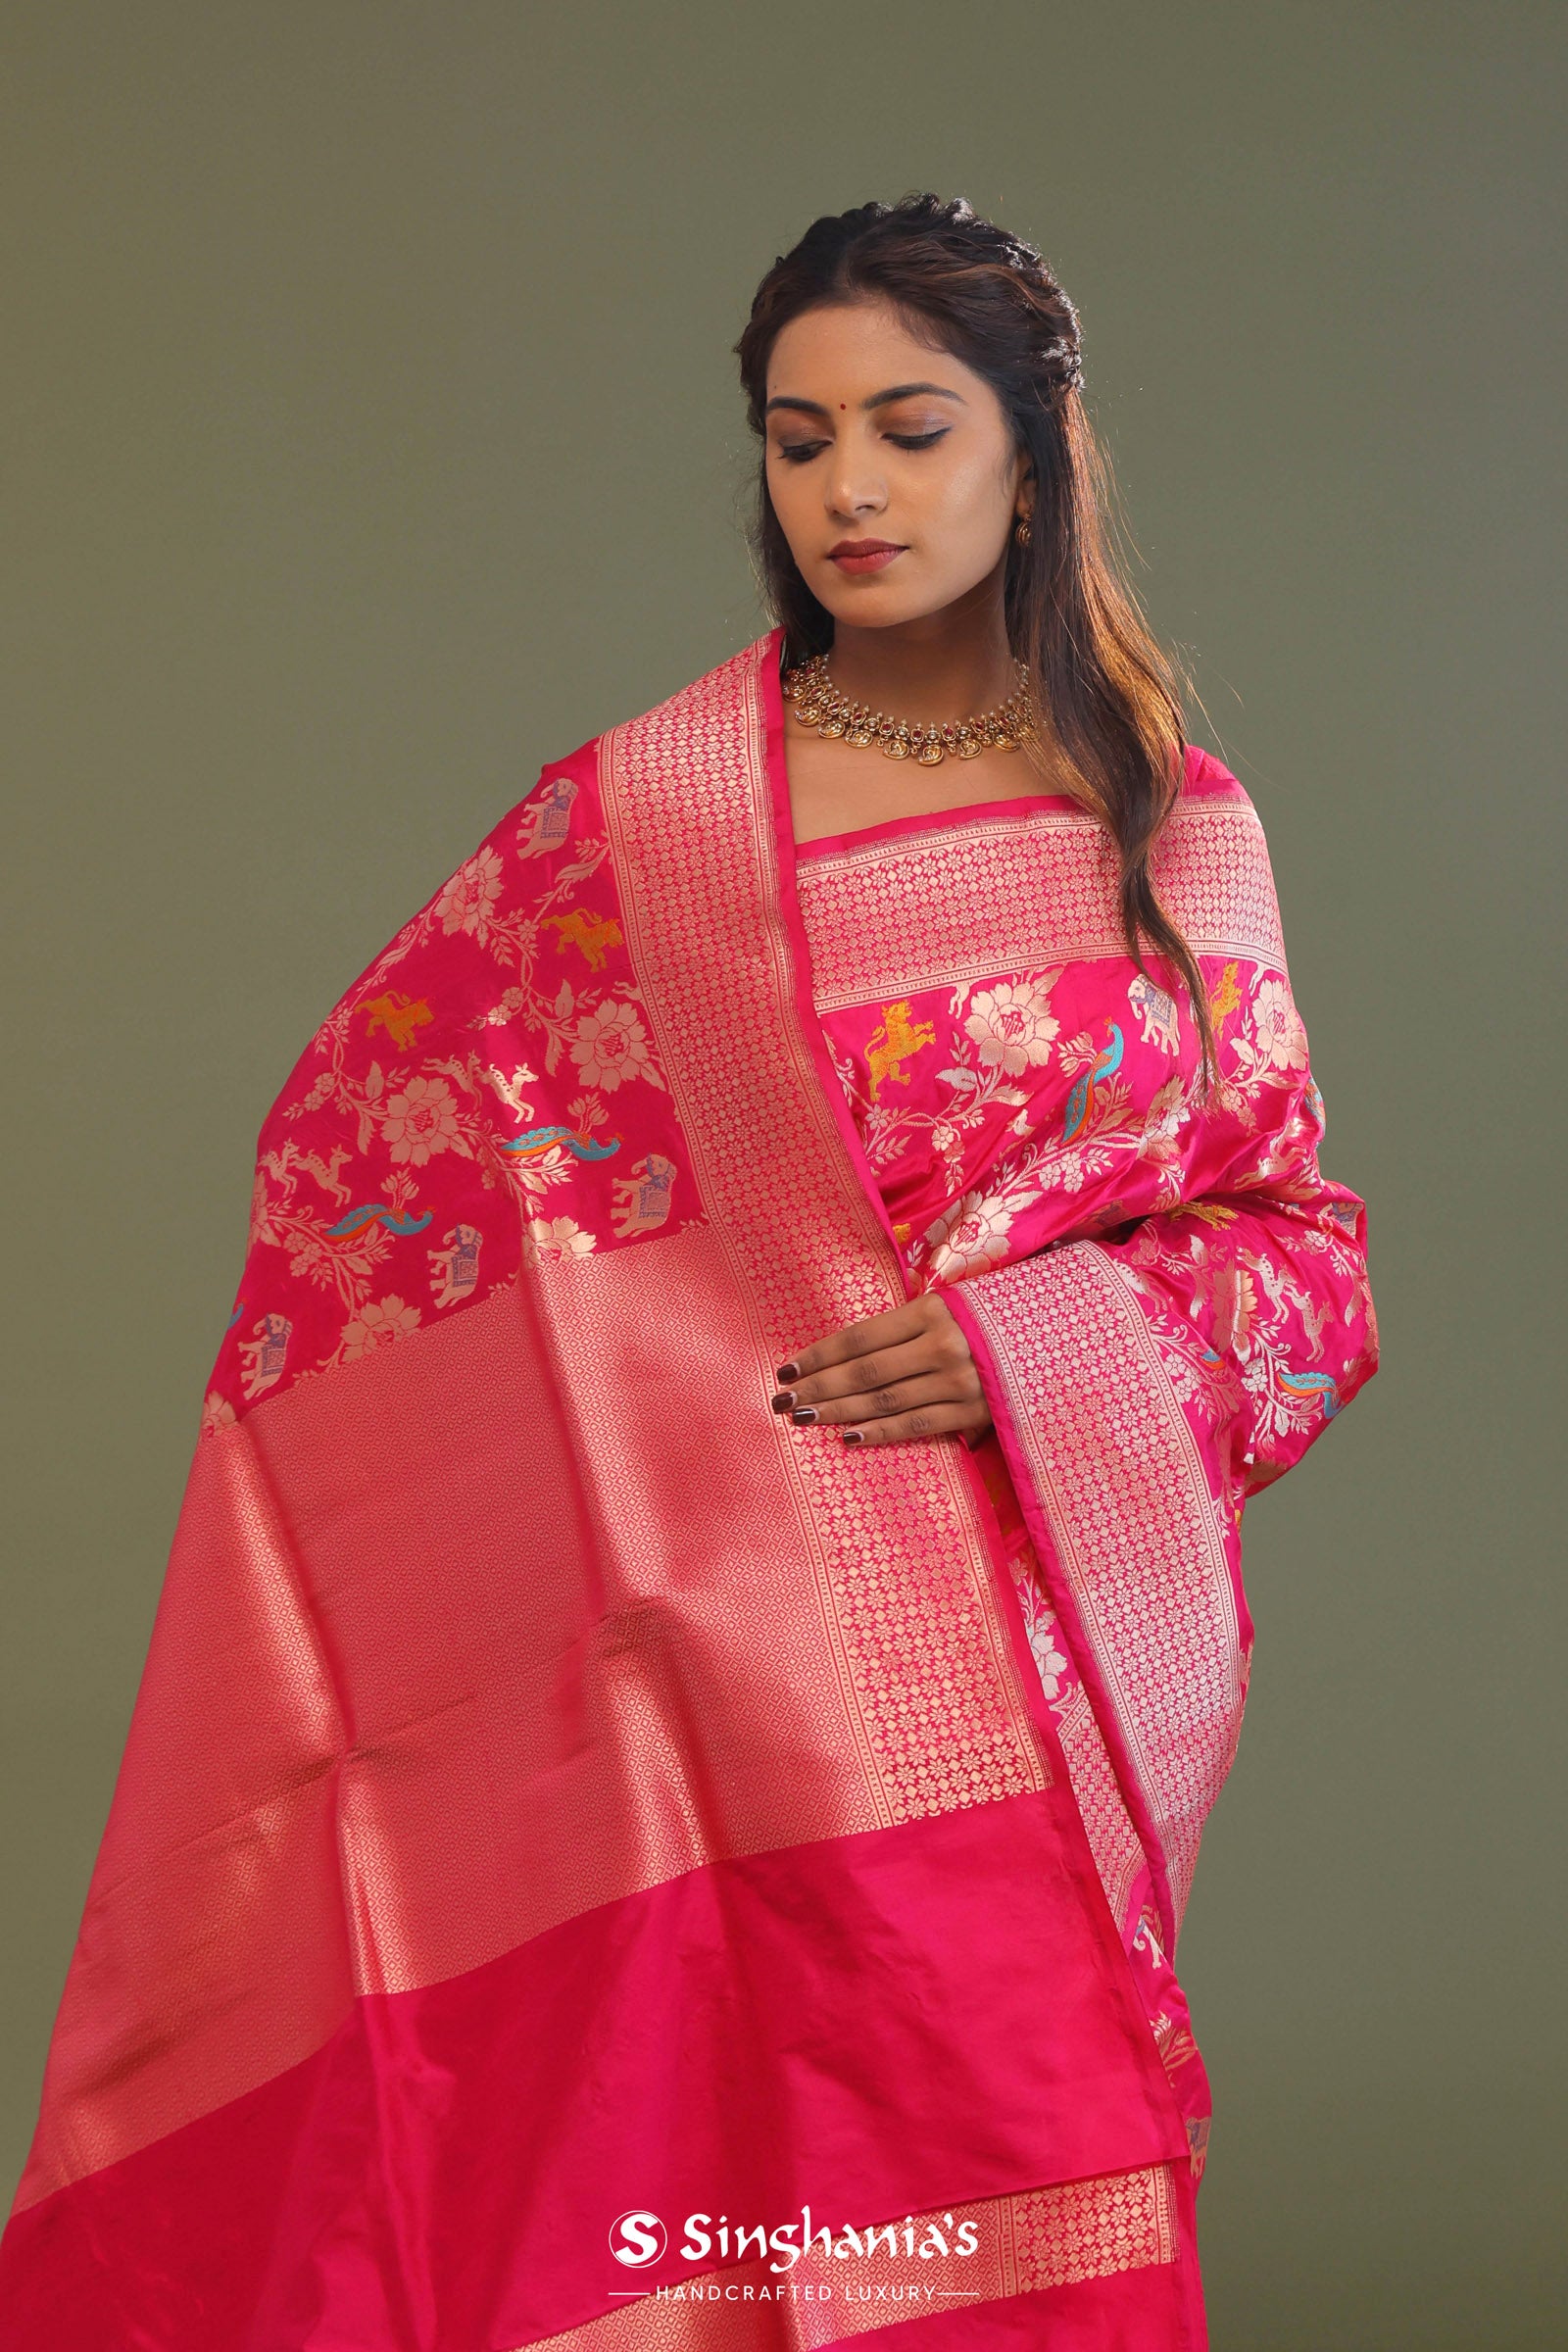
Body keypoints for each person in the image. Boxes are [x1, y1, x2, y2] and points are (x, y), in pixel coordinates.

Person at [0, 193, 1378, 2350]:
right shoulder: (636, 833)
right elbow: (366, 1183)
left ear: (1034, 461)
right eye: (797, 439)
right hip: (693, 1666)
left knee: (990, 2196)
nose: (848, 491)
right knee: (667, 2219)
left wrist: (1032, 1340)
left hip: (1014, 1671)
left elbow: (1298, 1254)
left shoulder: (1170, 833)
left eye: (910, 430)